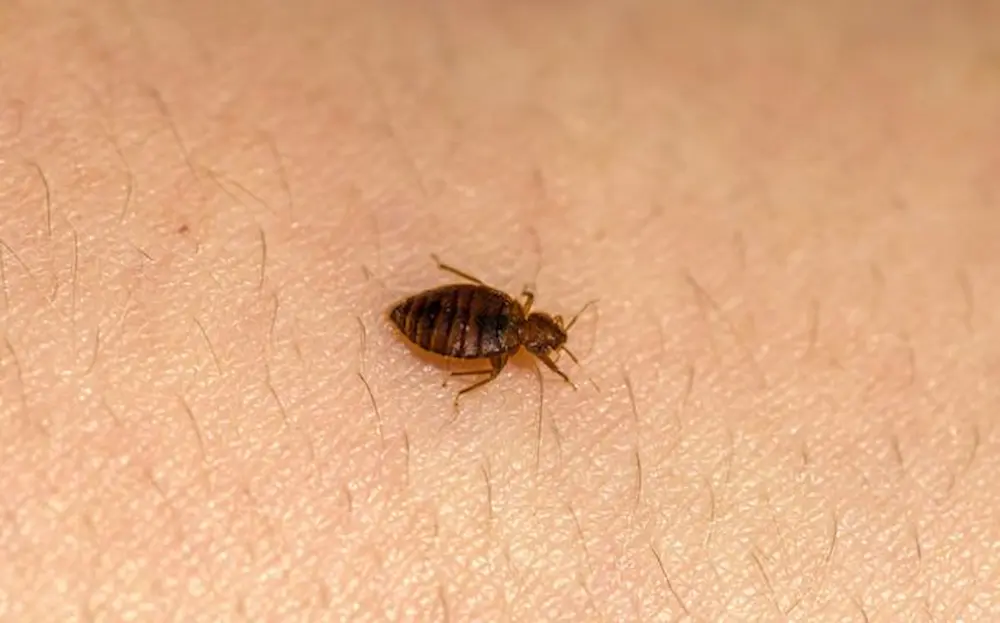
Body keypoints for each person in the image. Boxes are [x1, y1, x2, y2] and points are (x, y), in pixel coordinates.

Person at [2, 2, 995, 620]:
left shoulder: (508, 342)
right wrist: (472, 359)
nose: (543, 340)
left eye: (541, 340)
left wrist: (478, 370)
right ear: (535, 327)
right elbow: (478, 315)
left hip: (448, 310)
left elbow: (485, 328)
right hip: (442, 310)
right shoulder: (505, 338)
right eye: (544, 336)